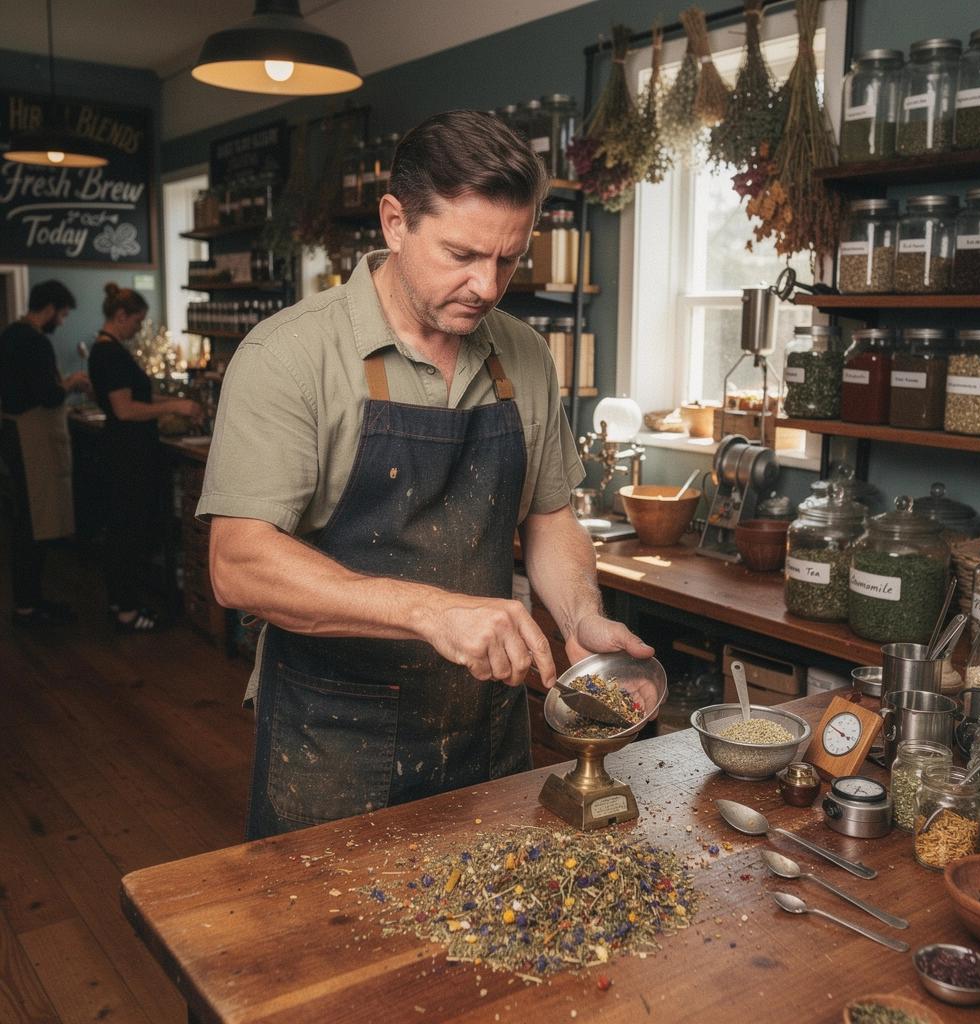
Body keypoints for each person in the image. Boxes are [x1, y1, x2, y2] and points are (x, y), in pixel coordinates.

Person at [200, 110, 654, 840]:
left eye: (508, 259)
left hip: (486, 727)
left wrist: (578, 618)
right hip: (334, 737)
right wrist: (432, 610)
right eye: (462, 254)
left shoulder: (525, 355)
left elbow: (548, 516)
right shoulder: (288, 355)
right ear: (394, 222)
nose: (486, 285)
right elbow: (237, 564)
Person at [88, 283, 202, 632]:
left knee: (123, 529)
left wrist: (164, 399)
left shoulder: (104, 350)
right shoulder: (110, 353)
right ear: (120, 316)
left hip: (121, 452)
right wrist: (176, 405)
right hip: (127, 455)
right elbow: (124, 409)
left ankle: (120, 602)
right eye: (137, 322)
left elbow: (133, 395)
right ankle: (127, 610)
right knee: (128, 530)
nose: (139, 329)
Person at [0, 279, 90, 626]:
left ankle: (28, 600)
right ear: (50, 308)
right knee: (34, 522)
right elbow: (48, 395)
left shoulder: (10, 334)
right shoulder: (34, 342)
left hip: (14, 433)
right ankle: (27, 606)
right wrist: (70, 382)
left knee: (26, 518)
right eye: (63, 314)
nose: (62, 321)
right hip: (31, 436)